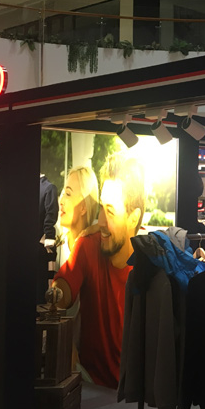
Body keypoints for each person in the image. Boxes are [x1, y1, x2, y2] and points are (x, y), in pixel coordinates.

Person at [52, 153, 146, 388]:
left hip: (135, 396)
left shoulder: (150, 263)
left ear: (133, 218)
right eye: (102, 207)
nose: (101, 220)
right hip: (91, 389)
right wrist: (55, 296)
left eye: (111, 212)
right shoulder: (89, 246)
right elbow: (63, 288)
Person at [58, 166, 100, 261]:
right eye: (63, 193)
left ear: (83, 207)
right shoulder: (57, 246)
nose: (61, 201)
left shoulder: (99, 249)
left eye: (68, 194)